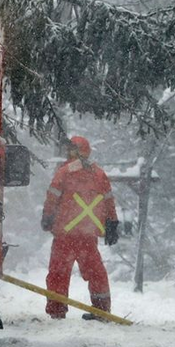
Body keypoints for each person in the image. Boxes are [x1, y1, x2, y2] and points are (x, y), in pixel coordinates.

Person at [41, 135, 120, 320]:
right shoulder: (98, 174)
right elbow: (109, 201)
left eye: (70, 150)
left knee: (58, 273)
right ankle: (101, 309)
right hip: (87, 235)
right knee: (95, 272)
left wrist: (47, 217)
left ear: (76, 151)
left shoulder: (64, 172)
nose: (68, 153)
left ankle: (57, 310)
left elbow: (52, 197)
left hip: (64, 234)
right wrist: (112, 223)